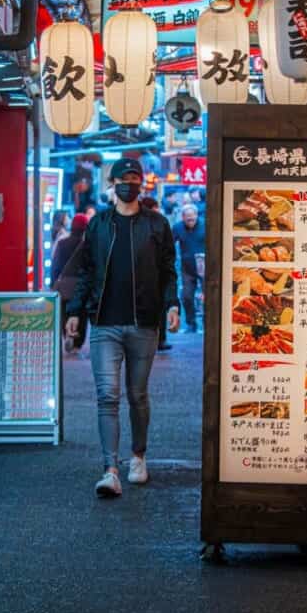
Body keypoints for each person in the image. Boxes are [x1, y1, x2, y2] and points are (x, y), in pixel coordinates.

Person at [66, 159, 180, 498]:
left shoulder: (158, 225)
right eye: (124, 178)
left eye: (135, 178)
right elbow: (86, 272)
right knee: (107, 397)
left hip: (144, 323)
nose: (130, 183)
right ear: (112, 183)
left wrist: (171, 304)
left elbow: (168, 271)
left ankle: (138, 457)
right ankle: (110, 469)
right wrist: (75, 312)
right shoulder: (98, 225)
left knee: (137, 395)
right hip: (105, 325)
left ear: (142, 183)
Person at [50, 213, 90, 353]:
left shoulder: (62, 243)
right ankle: (78, 343)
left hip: (65, 284)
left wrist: (53, 284)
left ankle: (67, 335)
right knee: (82, 314)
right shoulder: (87, 245)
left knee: (65, 313)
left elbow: (56, 266)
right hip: (81, 284)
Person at [141, 196, 172, 353]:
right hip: (150, 277)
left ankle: (159, 339)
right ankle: (156, 340)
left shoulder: (160, 223)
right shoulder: (153, 224)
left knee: (159, 309)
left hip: (157, 276)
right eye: (154, 207)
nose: (157, 210)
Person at [172, 203, 206, 333]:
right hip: (187, 268)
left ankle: (206, 324)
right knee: (186, 296)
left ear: (196, 216)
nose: (190, 221)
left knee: (207, 297)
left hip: (205, 266)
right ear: (183, 217)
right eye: (188, 219)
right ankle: (191, 324)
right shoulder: (178, 227)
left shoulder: (205, 225)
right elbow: (169, 245)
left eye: (192, 218)